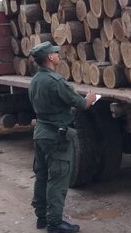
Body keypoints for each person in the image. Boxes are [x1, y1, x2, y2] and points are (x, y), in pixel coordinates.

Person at [29, 41, 97, 233]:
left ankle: (41, 218)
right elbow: (81, 104)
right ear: (50, 58)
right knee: (57, 179)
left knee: (41, 176)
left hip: (41, 133)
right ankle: (55, 223)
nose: (58, 55)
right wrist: (90, 99)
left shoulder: (35, 81)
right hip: (56, 136)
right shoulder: (56, 82)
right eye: (55, 53)